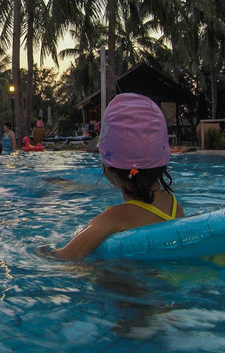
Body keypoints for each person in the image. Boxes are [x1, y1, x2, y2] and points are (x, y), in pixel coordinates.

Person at [44, 93, 183, 261]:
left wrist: (39, 251)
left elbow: (62, 258)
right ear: (162, 160)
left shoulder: (113, 219)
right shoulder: (175, 208)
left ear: (107, 166)